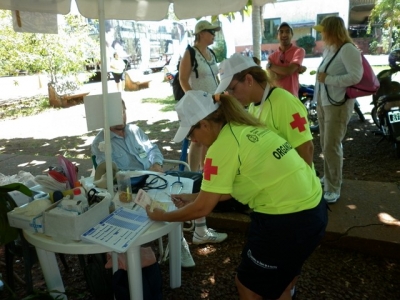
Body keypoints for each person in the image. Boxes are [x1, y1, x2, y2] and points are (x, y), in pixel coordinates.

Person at [146, 90, 328, 300]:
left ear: (204, 124)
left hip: (285, 221)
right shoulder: (243, 126)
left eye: (190, 133)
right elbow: (223, 192)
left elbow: (203, 209)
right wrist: (192, 196)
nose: (193, 139)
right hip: (314, 210)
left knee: (248, 286)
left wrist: (163, 216)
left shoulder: (222, 147)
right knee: (282, 283)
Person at [91, 100, 227, 267]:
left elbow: (153, 149)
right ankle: (179, 241)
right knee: (173, 197)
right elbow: (110, 174)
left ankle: (199, 230)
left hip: (156, 176)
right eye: (116, 112)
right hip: (132, 186)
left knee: (197, 180)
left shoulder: (135, 130)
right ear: (107, 116)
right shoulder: (101, 142)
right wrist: (141, 174)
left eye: (123, 110)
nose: (121, 116)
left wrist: (157, 164)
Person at [215, 53, 314, 167]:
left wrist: (302, 182)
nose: (230, 95)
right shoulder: (253, 105)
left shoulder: (284, 102)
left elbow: (306, 148)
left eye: (232, 89)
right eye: (227, 91)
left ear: (249, 80)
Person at [313, 16, 363, 204]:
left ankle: (333, 186)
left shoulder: (348, 49)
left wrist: (329, 79)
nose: (322, 33)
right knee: (326, 144)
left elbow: (356, 77)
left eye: (323, 30)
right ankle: (329, 178)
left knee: (332, 145)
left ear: (332, 30)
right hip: (325, 102)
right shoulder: (331, 49)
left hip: (338, 104)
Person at [179, 20, 220, 173]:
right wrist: (194, 100)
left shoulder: (212, 53)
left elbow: (215, 77)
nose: (214, 35)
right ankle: (194, 173)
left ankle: (206, 171)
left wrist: (219, 95)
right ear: (201, 33)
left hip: (213, 104)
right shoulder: (190, 53)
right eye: (211, 32)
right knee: (197, 140)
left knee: (210, 139)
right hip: (198, 105)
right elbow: (182, 79)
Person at [266, 22, 306, 97]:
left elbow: (289, 71)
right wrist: (293, 69)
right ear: (277, 36)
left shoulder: (298, 51)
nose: (284, 34)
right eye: (281, 32)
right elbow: (272, 77)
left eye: (287, 32)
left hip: (292, 97)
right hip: (276, 97)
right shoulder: (272, 57)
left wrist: (271, 66)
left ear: (292, 35)